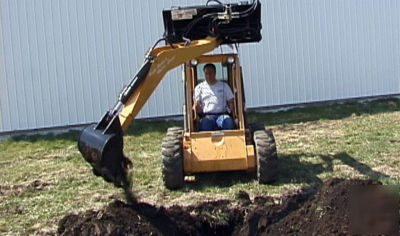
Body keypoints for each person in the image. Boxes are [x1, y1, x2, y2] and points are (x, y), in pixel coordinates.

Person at [194, 63, 236, 131]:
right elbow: (197, 104)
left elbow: (231, 102)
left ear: (215, 73)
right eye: (206, 73)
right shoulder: (199, 88)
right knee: (205, 124)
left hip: (222, 115)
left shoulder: (224, 86)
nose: (208, 76)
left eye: (210, 73)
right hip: (207, 116)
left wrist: (235, 116)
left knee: (228, 122)